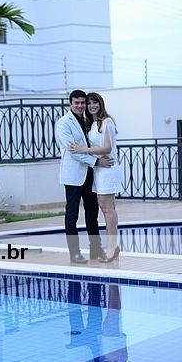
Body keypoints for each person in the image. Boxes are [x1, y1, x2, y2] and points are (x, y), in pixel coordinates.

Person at [55, 90, 113, 264]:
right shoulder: (63, 123)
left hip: (90, 175)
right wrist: (97, 162)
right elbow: (73, 151)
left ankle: (96, 249)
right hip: (73, 176)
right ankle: (74, 252)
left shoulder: (89, 120)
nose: (80, 106)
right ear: (70, 103)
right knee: (72, 215)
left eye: (82, 103)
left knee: (92, 214)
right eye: (77, 103)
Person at [69, 92, 123, 263]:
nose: (92, 106)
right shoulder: (92, 124)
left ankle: (112, 248)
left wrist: (83, 150)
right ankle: (112, 247)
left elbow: (107, 148)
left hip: (107, 169)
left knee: (108, 209)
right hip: (99, 169)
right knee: (105, 207)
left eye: (95, 102)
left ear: (101, 104)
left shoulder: (107, 122)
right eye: (89, 103)